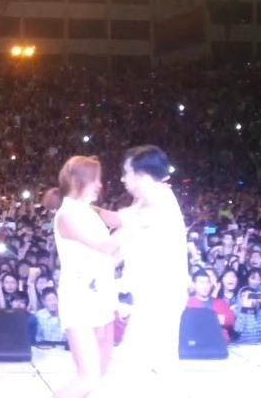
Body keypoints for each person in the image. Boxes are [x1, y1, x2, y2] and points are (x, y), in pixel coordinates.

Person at [94, 146, 190, 397]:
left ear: (142, 174)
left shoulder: (160, 199)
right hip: (154, 295)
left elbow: (116, 226)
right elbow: (119, 240)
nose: (123, 178)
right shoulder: (145, 203)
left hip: (161, 295)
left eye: (127, 172)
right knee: (162, 365)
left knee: (128, 366)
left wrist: (78, 205)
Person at [51, 156, 120, 398]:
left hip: (102, 296)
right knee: (87, 377)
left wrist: (148, 200)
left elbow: (120, 224)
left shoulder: (90, 211)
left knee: (100, 376)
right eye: (94, 179)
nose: (100, 184)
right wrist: (132, 230)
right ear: (76, 180)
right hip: (79, 299)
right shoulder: (66, 215)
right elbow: (105, 247)